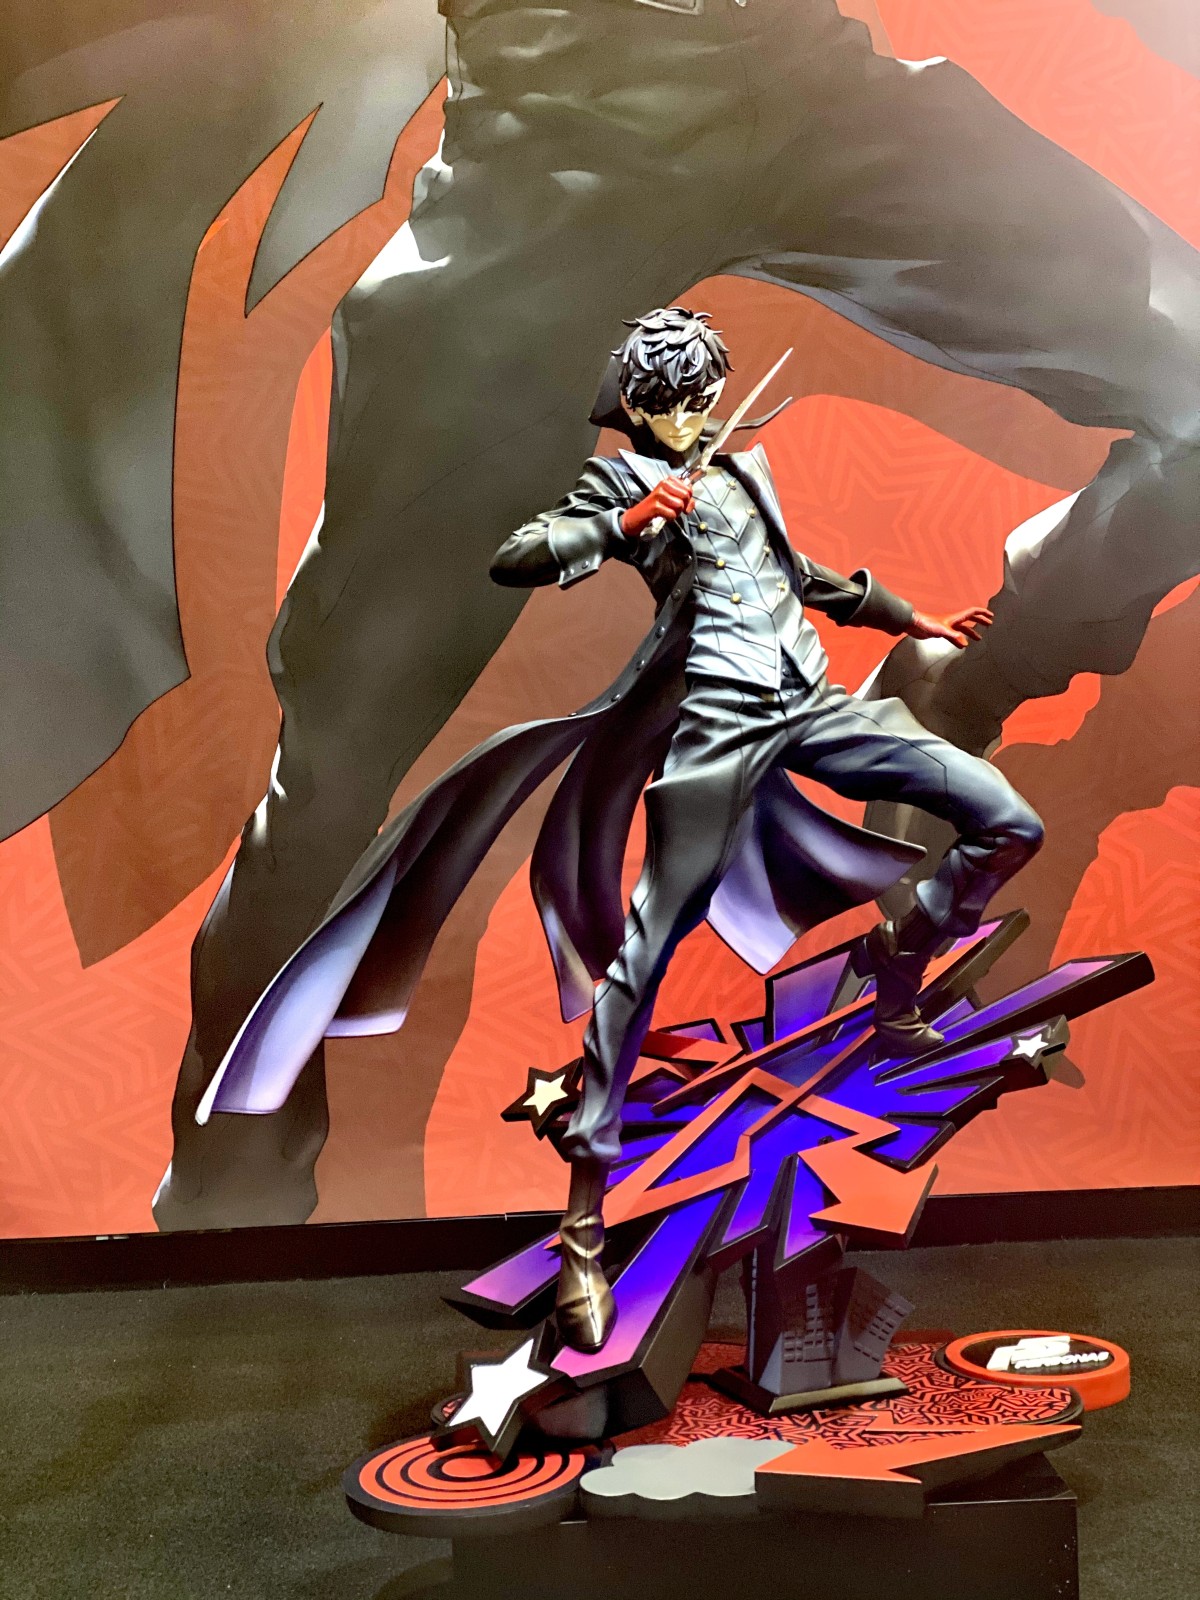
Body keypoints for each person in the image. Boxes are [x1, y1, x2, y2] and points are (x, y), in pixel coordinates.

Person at [155, 0, 1197, 1230]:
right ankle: (226, 1190)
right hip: (559, 114)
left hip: (814, 87)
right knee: (349, 720)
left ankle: (955, 693)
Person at [194, 308, 1045, 1352]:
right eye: (668, 401)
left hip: (815, 708)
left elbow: (796, 575)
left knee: (1006, 821)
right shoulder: (620, 483)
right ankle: (584, 1225)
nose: (688, 418)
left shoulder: (740, 472)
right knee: (642, 958)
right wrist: (628, 519)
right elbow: (518, 555)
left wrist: (907, 616)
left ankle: (895, 971)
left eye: (700, 397)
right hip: (716, 728)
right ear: (636, 405)